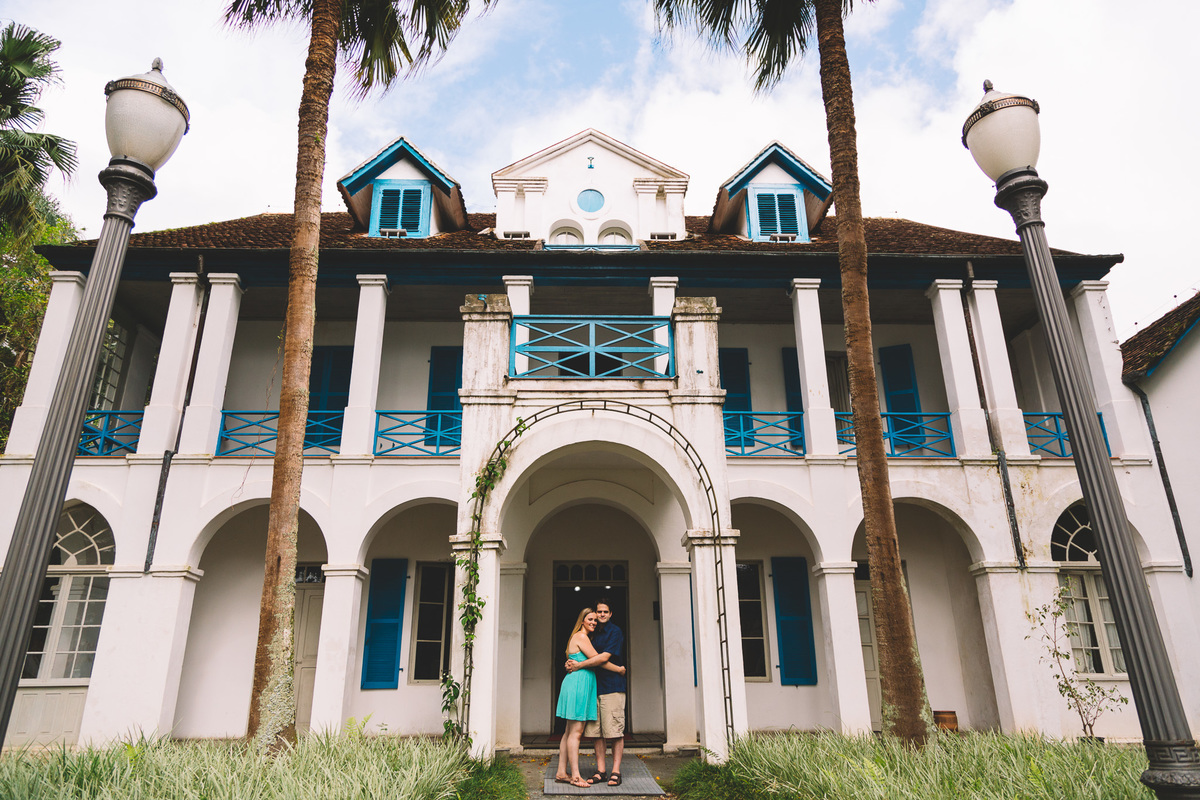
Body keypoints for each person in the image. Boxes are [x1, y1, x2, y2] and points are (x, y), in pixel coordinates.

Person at [554, 607, 625, 788]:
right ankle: (576, 776)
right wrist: (619, 669)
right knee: (576, 733)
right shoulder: (582, 637)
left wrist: (575, 664)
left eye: (595, 619)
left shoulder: (580, 637)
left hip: (577, 683)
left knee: (569, 732)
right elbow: (599, 659)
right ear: (582, 621)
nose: (594, 622)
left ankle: (562, 772)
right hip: (578, 685)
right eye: (590, 619)